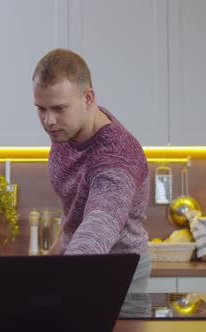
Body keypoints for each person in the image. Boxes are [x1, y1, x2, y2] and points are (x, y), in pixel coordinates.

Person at [32, 49, 151, 293]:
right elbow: (76, 210)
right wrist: (60, 247)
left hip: (116, 272)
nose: (48, 121)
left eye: (58, 108)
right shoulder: (69, 128)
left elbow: (99, 225)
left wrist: (66, 278)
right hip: (78, 260)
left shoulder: (116, 156)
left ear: (88, 98)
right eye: (41, 109)